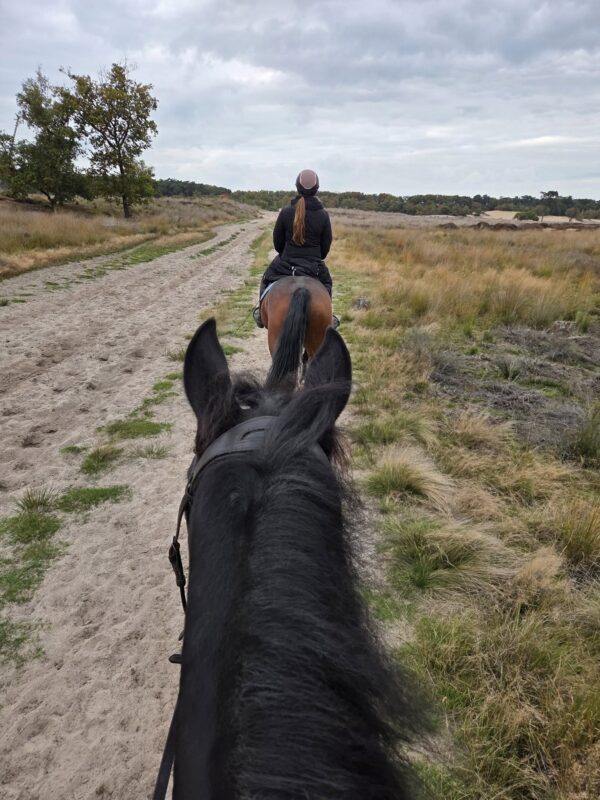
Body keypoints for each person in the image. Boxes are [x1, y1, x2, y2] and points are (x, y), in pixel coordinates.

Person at [253, 169, 339, 327]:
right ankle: (329, 318)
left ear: (297, 187)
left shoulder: (286, 212)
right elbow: (325, 249)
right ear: (317, 189)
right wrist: (315, 256)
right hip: (313, 266)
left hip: (286, 263)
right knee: (327, 284)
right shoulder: (323, 215)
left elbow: (278, 243)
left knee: (266, 277)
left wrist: (286, 254)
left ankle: (259, 313)